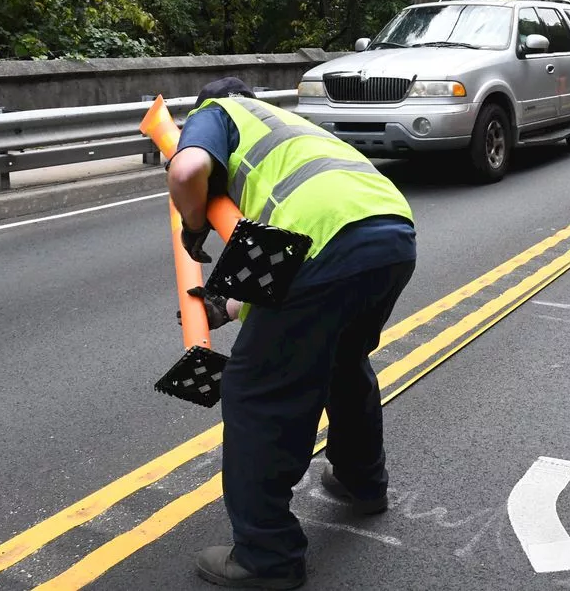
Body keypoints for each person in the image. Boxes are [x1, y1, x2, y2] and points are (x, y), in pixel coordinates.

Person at [166, 77, 417, 589]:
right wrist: (223, 308)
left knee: (257, 393)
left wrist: (192, 223)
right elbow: (286, 274)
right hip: (389, 232)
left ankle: (267, 556)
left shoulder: (218, 110)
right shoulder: (285, 134)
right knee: (342, 362)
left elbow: (187, 168)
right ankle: (361, 481)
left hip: (322, 243)